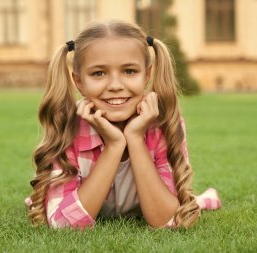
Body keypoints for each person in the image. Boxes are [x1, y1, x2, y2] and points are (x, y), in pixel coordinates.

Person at [26, 20, 221, 229]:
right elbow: (63, 225)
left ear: (147, 75)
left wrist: (135, 138)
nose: (116, 86)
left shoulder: (161, 123)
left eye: (129, 71)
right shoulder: (68, 126)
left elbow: (167, 220)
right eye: (99, 73)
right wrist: (114, 145)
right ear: (79, 82)